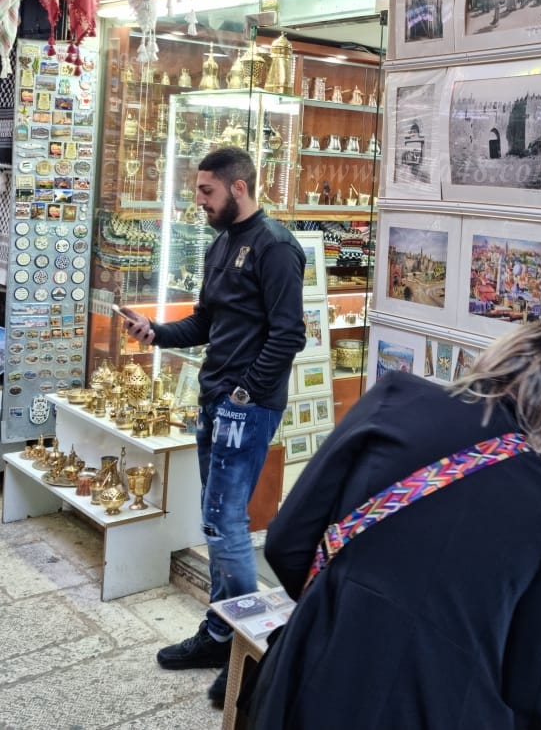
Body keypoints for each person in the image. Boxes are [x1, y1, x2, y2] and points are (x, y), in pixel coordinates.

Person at [245, 323, 541, 730]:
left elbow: (286, 541)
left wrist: (337, 610)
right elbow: (528, 672)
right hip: (449, 706)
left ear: (494, 358)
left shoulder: (398, 398)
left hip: (322, 674)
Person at [117, 147, 305, 707]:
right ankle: (221, 633)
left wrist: (244, 393)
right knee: (216, 522)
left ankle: (251, 651)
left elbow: (288, 334)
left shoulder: (276, 248)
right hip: (215, 398)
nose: (197, 201)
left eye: (206, 191)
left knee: (224, 526)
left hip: (244, 408)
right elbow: (207, 320)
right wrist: (156, 331)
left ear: (238, 189)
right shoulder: (220, 242)